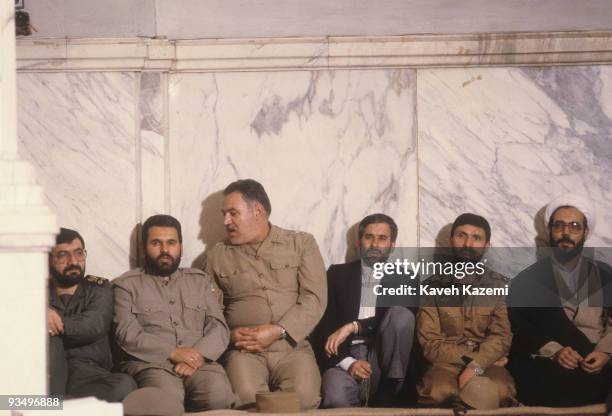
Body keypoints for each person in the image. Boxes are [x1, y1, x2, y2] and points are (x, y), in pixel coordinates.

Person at [205, 179, 327, 409]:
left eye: (233, 213)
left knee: (304, 399)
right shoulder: (217, 255)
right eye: (224, 214)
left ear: (258, 211)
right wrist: (229, 336)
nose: (225, 222)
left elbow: (315, 298)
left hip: (292, 348)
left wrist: (278, 330)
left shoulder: (301, 244)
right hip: (244, 351)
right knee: (247, 399)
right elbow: (210, 311)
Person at [114, 215, 235, 412]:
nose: (164, 250)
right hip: (152, 364)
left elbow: (218, 327)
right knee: (165, 402)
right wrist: (174, 353)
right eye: (156, 243)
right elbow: (126, 334)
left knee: (218, 395)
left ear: (180, 246)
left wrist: (199, 356)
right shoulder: (126, 285)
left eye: (171, 243)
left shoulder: (200, 281)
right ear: (144, 247)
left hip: (200, 363)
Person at [508, 195, 612, 407]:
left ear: (586, 232)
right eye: (559, 226)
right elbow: (520, 329)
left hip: (599, 358)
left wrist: (605, 351)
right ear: (550, 232)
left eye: (574, 226)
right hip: (549, 363)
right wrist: (554, 350)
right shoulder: (528, 280)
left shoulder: (605, 274)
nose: (566, 233)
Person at [313, 213, 416, 408]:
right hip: (344, 355)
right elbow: (323, 324)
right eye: (369, 237)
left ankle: (391, 386)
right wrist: (347, 362)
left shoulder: (404, 278)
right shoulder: (337, 275)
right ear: (359, 242)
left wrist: (354, 326)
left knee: (401, 315)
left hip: (385, 358)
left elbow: (394, 319)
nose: (375, 244)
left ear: (392, 245)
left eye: (382, 238)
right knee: (335, 397)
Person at [417, 213, 515, 409]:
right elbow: (429, 343)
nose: (467, 243)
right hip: (445, 364)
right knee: (437, 393)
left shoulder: (498, 285)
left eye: (476, 237)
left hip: (486, 365)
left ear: (487, 245)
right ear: (451, 240)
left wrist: (476, 366)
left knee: (502, 391)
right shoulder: (432, 286)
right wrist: (473, 361)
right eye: (461, 235)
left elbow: (501, 336)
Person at [48, 227, 136, 401]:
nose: (73, 261)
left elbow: (94, 325)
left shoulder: (99, 287)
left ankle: (55, 406)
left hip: (88, 375)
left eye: (78, 253)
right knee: (9, 397)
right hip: (48, 373)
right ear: (48, 259)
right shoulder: (34, 291)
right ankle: (65, 406)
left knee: (125, 384)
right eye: (63, 255)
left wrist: (53, 323)